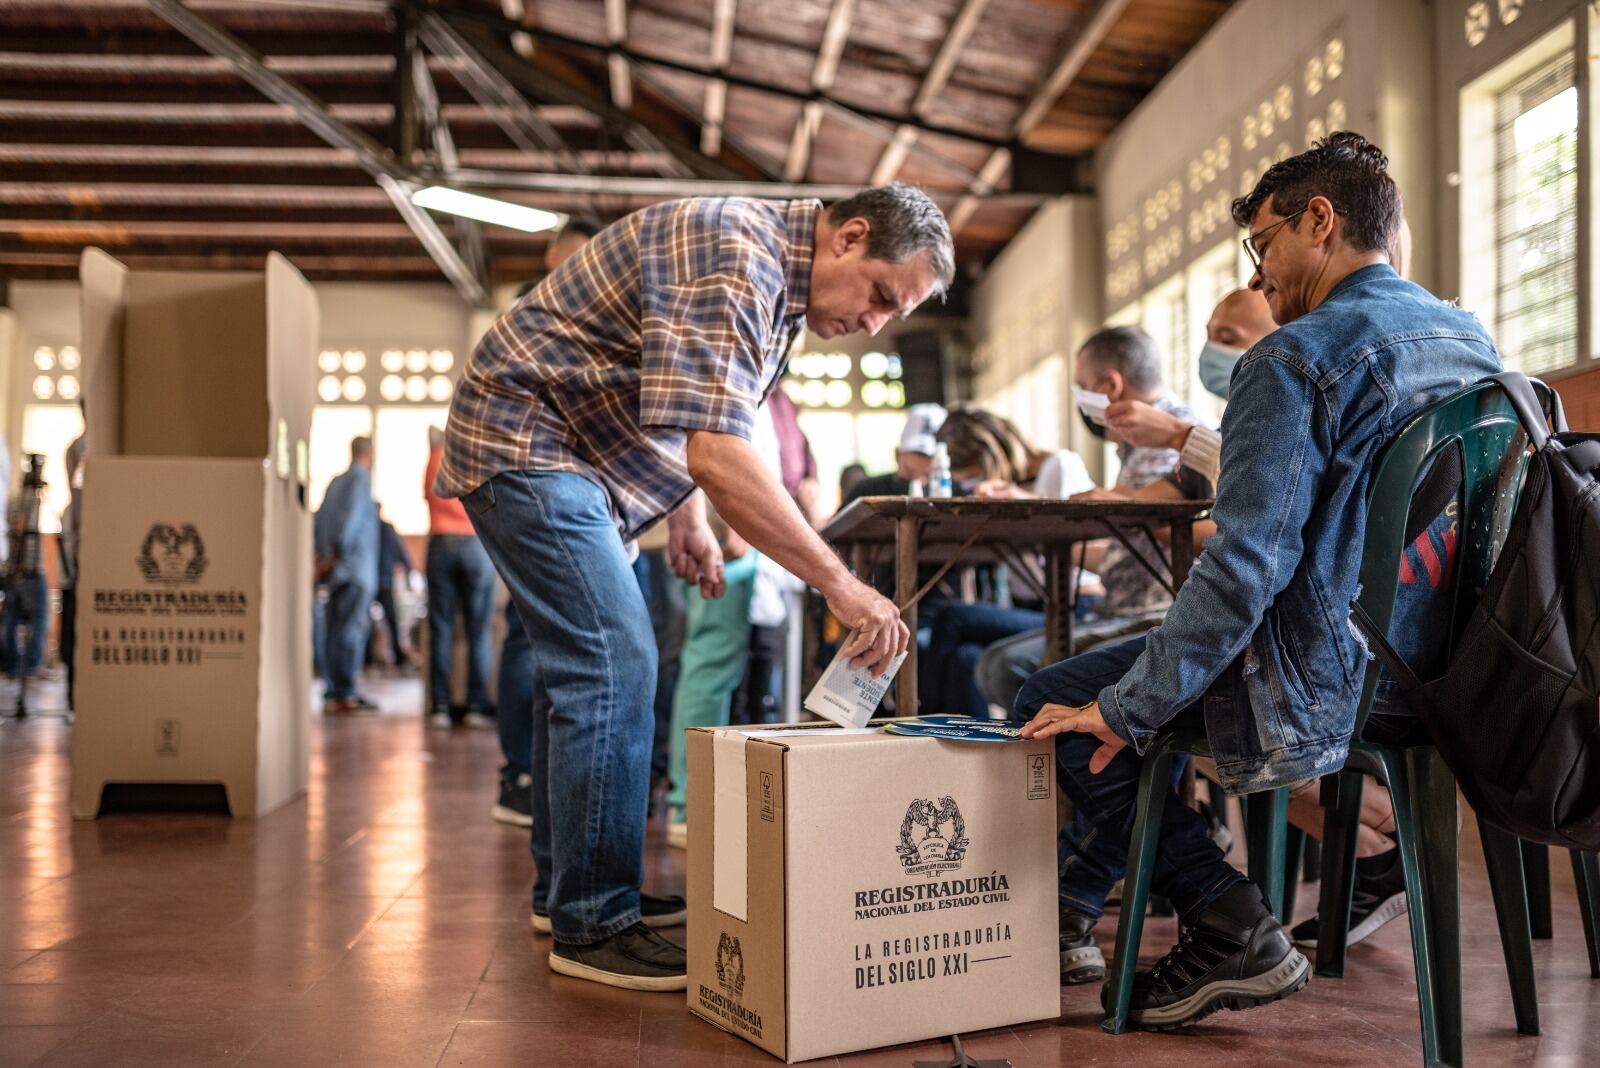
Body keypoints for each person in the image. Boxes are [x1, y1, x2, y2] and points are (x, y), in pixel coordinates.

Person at [1017, 132, 1501, 1030]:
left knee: (1051, 697)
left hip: (1327, 677)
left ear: (1320, 222)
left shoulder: (1290, 359)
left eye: (1264, 244)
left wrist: (1128, 706)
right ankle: (1203, 913)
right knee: (1123, 687)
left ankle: (1229, 918)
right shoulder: (1476, 345)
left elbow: (1243, 567)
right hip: (1453, 670)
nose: (1262, 274)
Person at [437, 184, 951, 990]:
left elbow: (695, 412)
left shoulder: (780, 291)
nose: (875, 324)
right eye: (883, 295)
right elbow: (718, 451)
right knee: (615, 661)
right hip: (524, 435)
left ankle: (564, 890)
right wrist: (838, 584)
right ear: (849, 238)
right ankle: (593, 921)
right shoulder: (738, 254)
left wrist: (686, 518)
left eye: (898, 314)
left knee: (580, 669)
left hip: (581, 463)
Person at [493, 218, 604, 828]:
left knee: (569, 661)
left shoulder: (594, 321)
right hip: (529, 491)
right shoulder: (526, 311)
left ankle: (549, 797)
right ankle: (519, 772)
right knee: (531, 646)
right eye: (575, 260)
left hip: (581, 502)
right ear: (551, 254)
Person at [423, 435, 497, 728]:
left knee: (441, 628)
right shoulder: (477, 453)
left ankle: (440, 706)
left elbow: (428, 496)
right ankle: (476, 706)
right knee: (478, 630)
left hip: (441, 542)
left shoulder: (436, 456)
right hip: (475, 543)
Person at [314, 436, 380, 714]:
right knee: (352, 630)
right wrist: (340, 550)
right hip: (355, 568)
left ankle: (334, 691)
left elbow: (319, 521)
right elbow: (350, 521)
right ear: (369, 454)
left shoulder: (334, 483)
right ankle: (347, 693)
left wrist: (325, 558)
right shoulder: (360, 480)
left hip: (335, 570)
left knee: (334, 630)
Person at [2, 455, 48, 680]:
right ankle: (30, 664)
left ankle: (12, 663)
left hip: (14, 567)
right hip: (29, 567)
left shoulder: (13, 499)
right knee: (39, 617)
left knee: (11, 616)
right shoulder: (32, 499)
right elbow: (24, 526)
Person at [842, 403, 945, 501]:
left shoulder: (951, 491)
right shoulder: (868, 490)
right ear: (897, 455)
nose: (919, 481)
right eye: (910, 473)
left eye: (928, 475)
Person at [371, 511, 415, 668]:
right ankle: (397, 658)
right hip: (382, 579)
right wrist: (409, 573)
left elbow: (400, 553)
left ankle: (370, 659)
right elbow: (401, 554)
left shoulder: (373, 527)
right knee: (390, 621)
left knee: (383, 620)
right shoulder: (382, 527)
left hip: (379, 579)